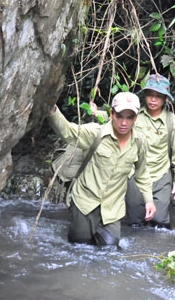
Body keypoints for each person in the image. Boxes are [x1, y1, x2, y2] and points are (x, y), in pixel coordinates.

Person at [47, 92, 156, 246]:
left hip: (113, 209)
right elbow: (68, 132)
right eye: (119, 116)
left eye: (129, 117)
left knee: (109, 251)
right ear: (111, 113)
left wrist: (149, 201)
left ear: (136, 118)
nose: (124, 122)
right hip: (85, 202)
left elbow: (142, 172)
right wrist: (52, 110)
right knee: (79, 249)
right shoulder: (95, 133)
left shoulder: (139, 142)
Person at [92, 74, 175, 229]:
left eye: (158, 96)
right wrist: (96, 113)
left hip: (161, 177)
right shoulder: (134, 116)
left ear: (165, 98)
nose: (153, 100)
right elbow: (116, 119)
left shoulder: (173, 122)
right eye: (150, 95)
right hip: (135, 175)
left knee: (161, 224)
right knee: (135, 223)